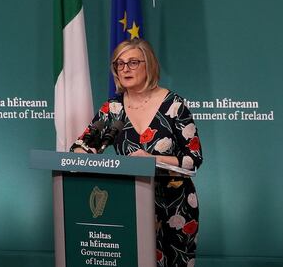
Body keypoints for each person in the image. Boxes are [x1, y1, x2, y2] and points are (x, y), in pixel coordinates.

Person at [71, 39, 203, 267]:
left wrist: (152, 159)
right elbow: (83, 146)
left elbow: (193, 159)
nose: (125, 69)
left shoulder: (174, 105)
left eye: (132, 62)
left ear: (148, 65)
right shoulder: (112, 109)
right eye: (119, 64)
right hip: (131, 203)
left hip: (175, 206)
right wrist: (79, 153)